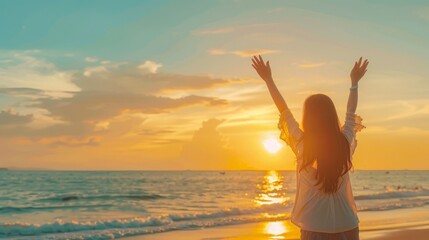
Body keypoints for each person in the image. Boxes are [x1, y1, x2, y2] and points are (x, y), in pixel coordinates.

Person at [252, 55, 368, 240]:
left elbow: (284, 111)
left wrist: (268, 80)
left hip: (314, 225)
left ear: (308, 117)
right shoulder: (344, 142)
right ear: (331, 115)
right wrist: (354, 83)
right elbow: (350, 113)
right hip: (348, 223)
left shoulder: (302, 144)